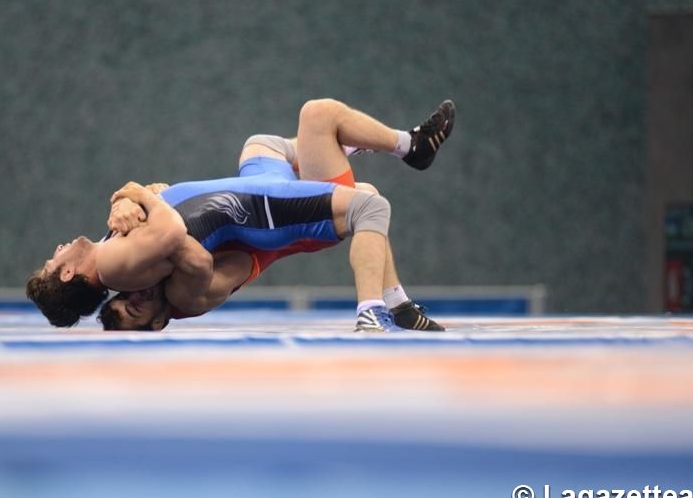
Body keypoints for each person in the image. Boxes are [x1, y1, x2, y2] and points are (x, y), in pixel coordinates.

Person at [27, 98, 455, 332]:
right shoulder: (170, 294)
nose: (57, 250)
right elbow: (178, 240)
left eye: (127, 303)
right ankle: (375, 311)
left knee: (271, 138)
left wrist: (132, 202)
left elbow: (161, 226)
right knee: (368, 201)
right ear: (66, 276)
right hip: (259, 208)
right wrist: (139, 194)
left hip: (253, 193)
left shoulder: (115, 259)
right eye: (53, 262)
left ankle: (391, 147)